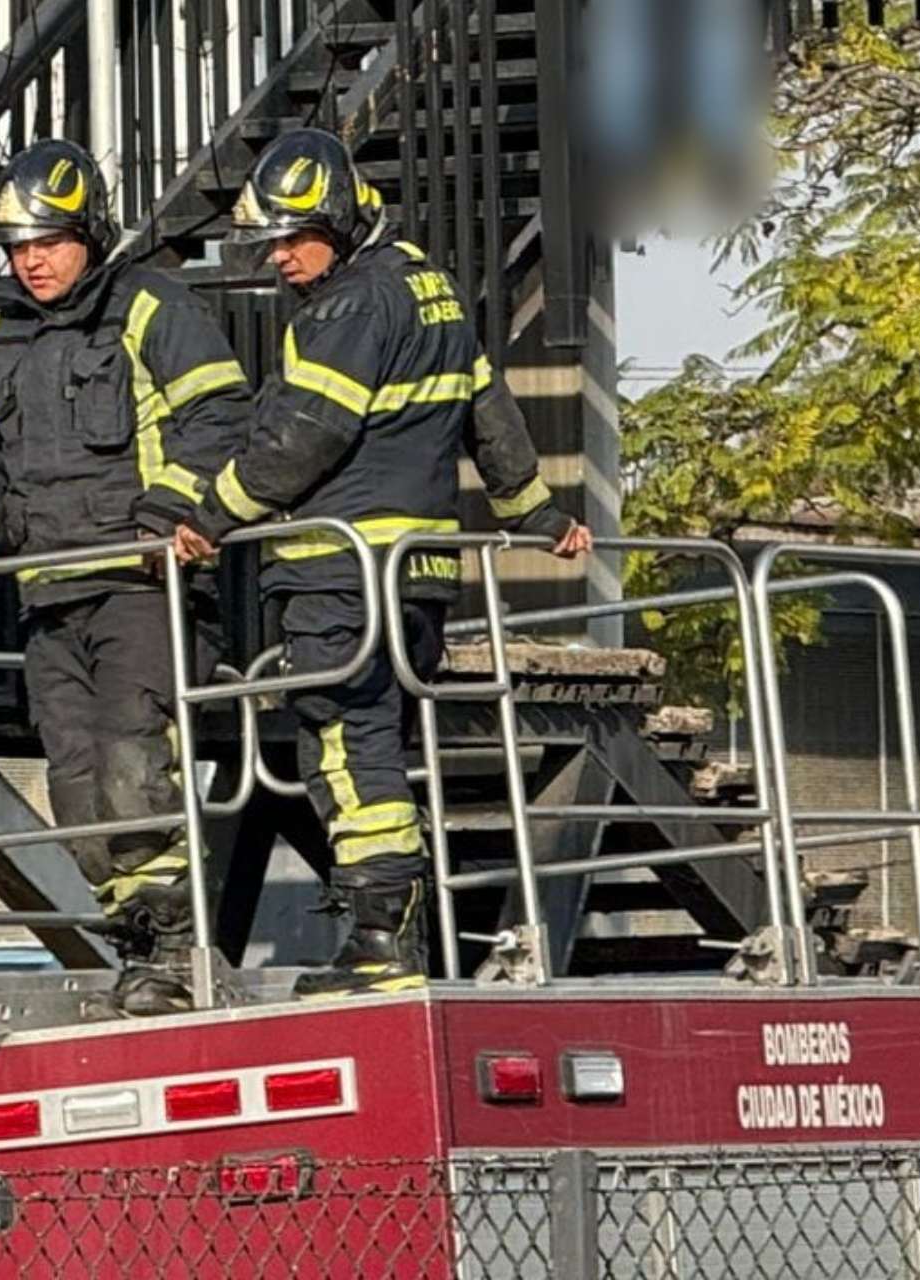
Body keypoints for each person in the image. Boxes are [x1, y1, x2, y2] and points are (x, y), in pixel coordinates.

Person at [174, 128, 592, 1000]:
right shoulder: (430, 290)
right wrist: (539, 517)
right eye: (271, 243)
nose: (281, 258)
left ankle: (379, 941)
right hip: (417, 575)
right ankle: (391, 936)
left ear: (336, 217)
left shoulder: (348, 308)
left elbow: (305, 438)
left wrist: (212, 516)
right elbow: (494, 420)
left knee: (345, 748)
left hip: (339, 572)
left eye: (294, 239)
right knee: (379, 747)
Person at [0, 139, 251, 1015]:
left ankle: (177, 949)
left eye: (48, 242)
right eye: (16, 247)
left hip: (143, 589)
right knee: (74, 782)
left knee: (132, 764)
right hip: (47, 592)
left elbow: (219, 413)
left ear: (90, 233)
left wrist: (166, 518)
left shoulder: (151, 306)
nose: (30, 261)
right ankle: (142, 941)